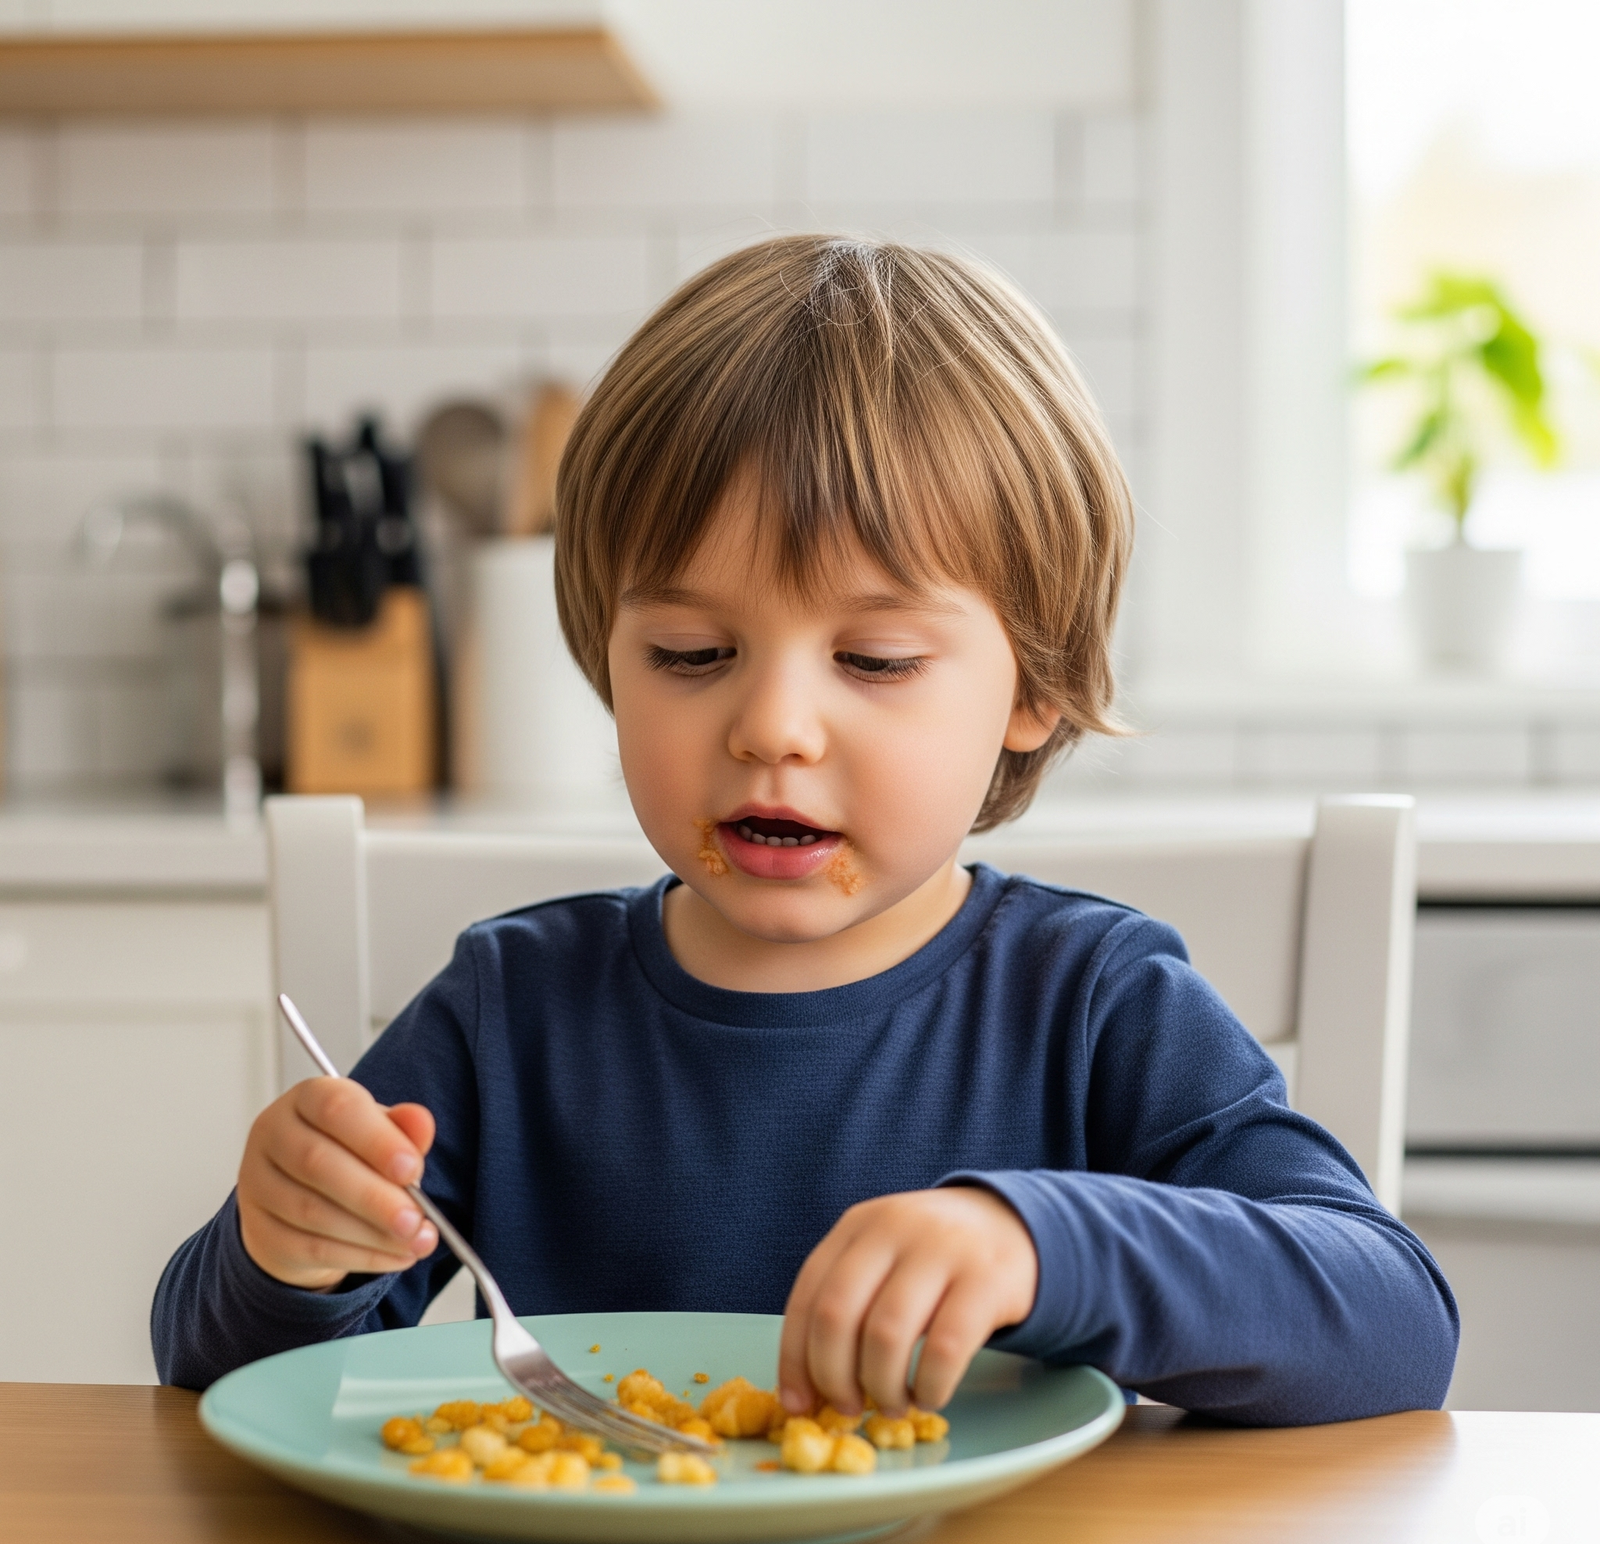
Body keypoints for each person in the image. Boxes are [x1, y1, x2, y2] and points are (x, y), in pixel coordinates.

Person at [153, 236, 1457, 1424]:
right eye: (691, 652)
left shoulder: (1091, 1001)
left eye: (876, 660)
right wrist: (289, 1248)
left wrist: (1044, 1245)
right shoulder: (512, 1010)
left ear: (1036, 686)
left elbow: (1393, 1322)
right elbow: (220, 1374)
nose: (772, 727)